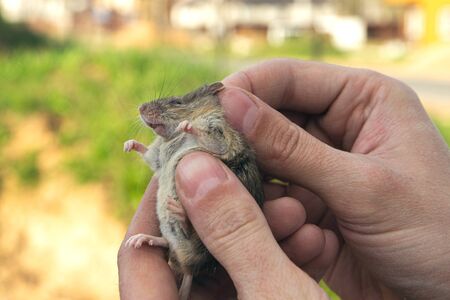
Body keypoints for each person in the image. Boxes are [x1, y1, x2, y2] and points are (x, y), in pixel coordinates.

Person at [117, 59, 450, 299]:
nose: (158, 111)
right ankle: (173, 247)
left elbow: (225, 148)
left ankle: (180, 249)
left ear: (207, 100)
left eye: (175, 105)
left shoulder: (214, 123)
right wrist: (144, 149)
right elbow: (161, 163)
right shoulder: (175, 143)